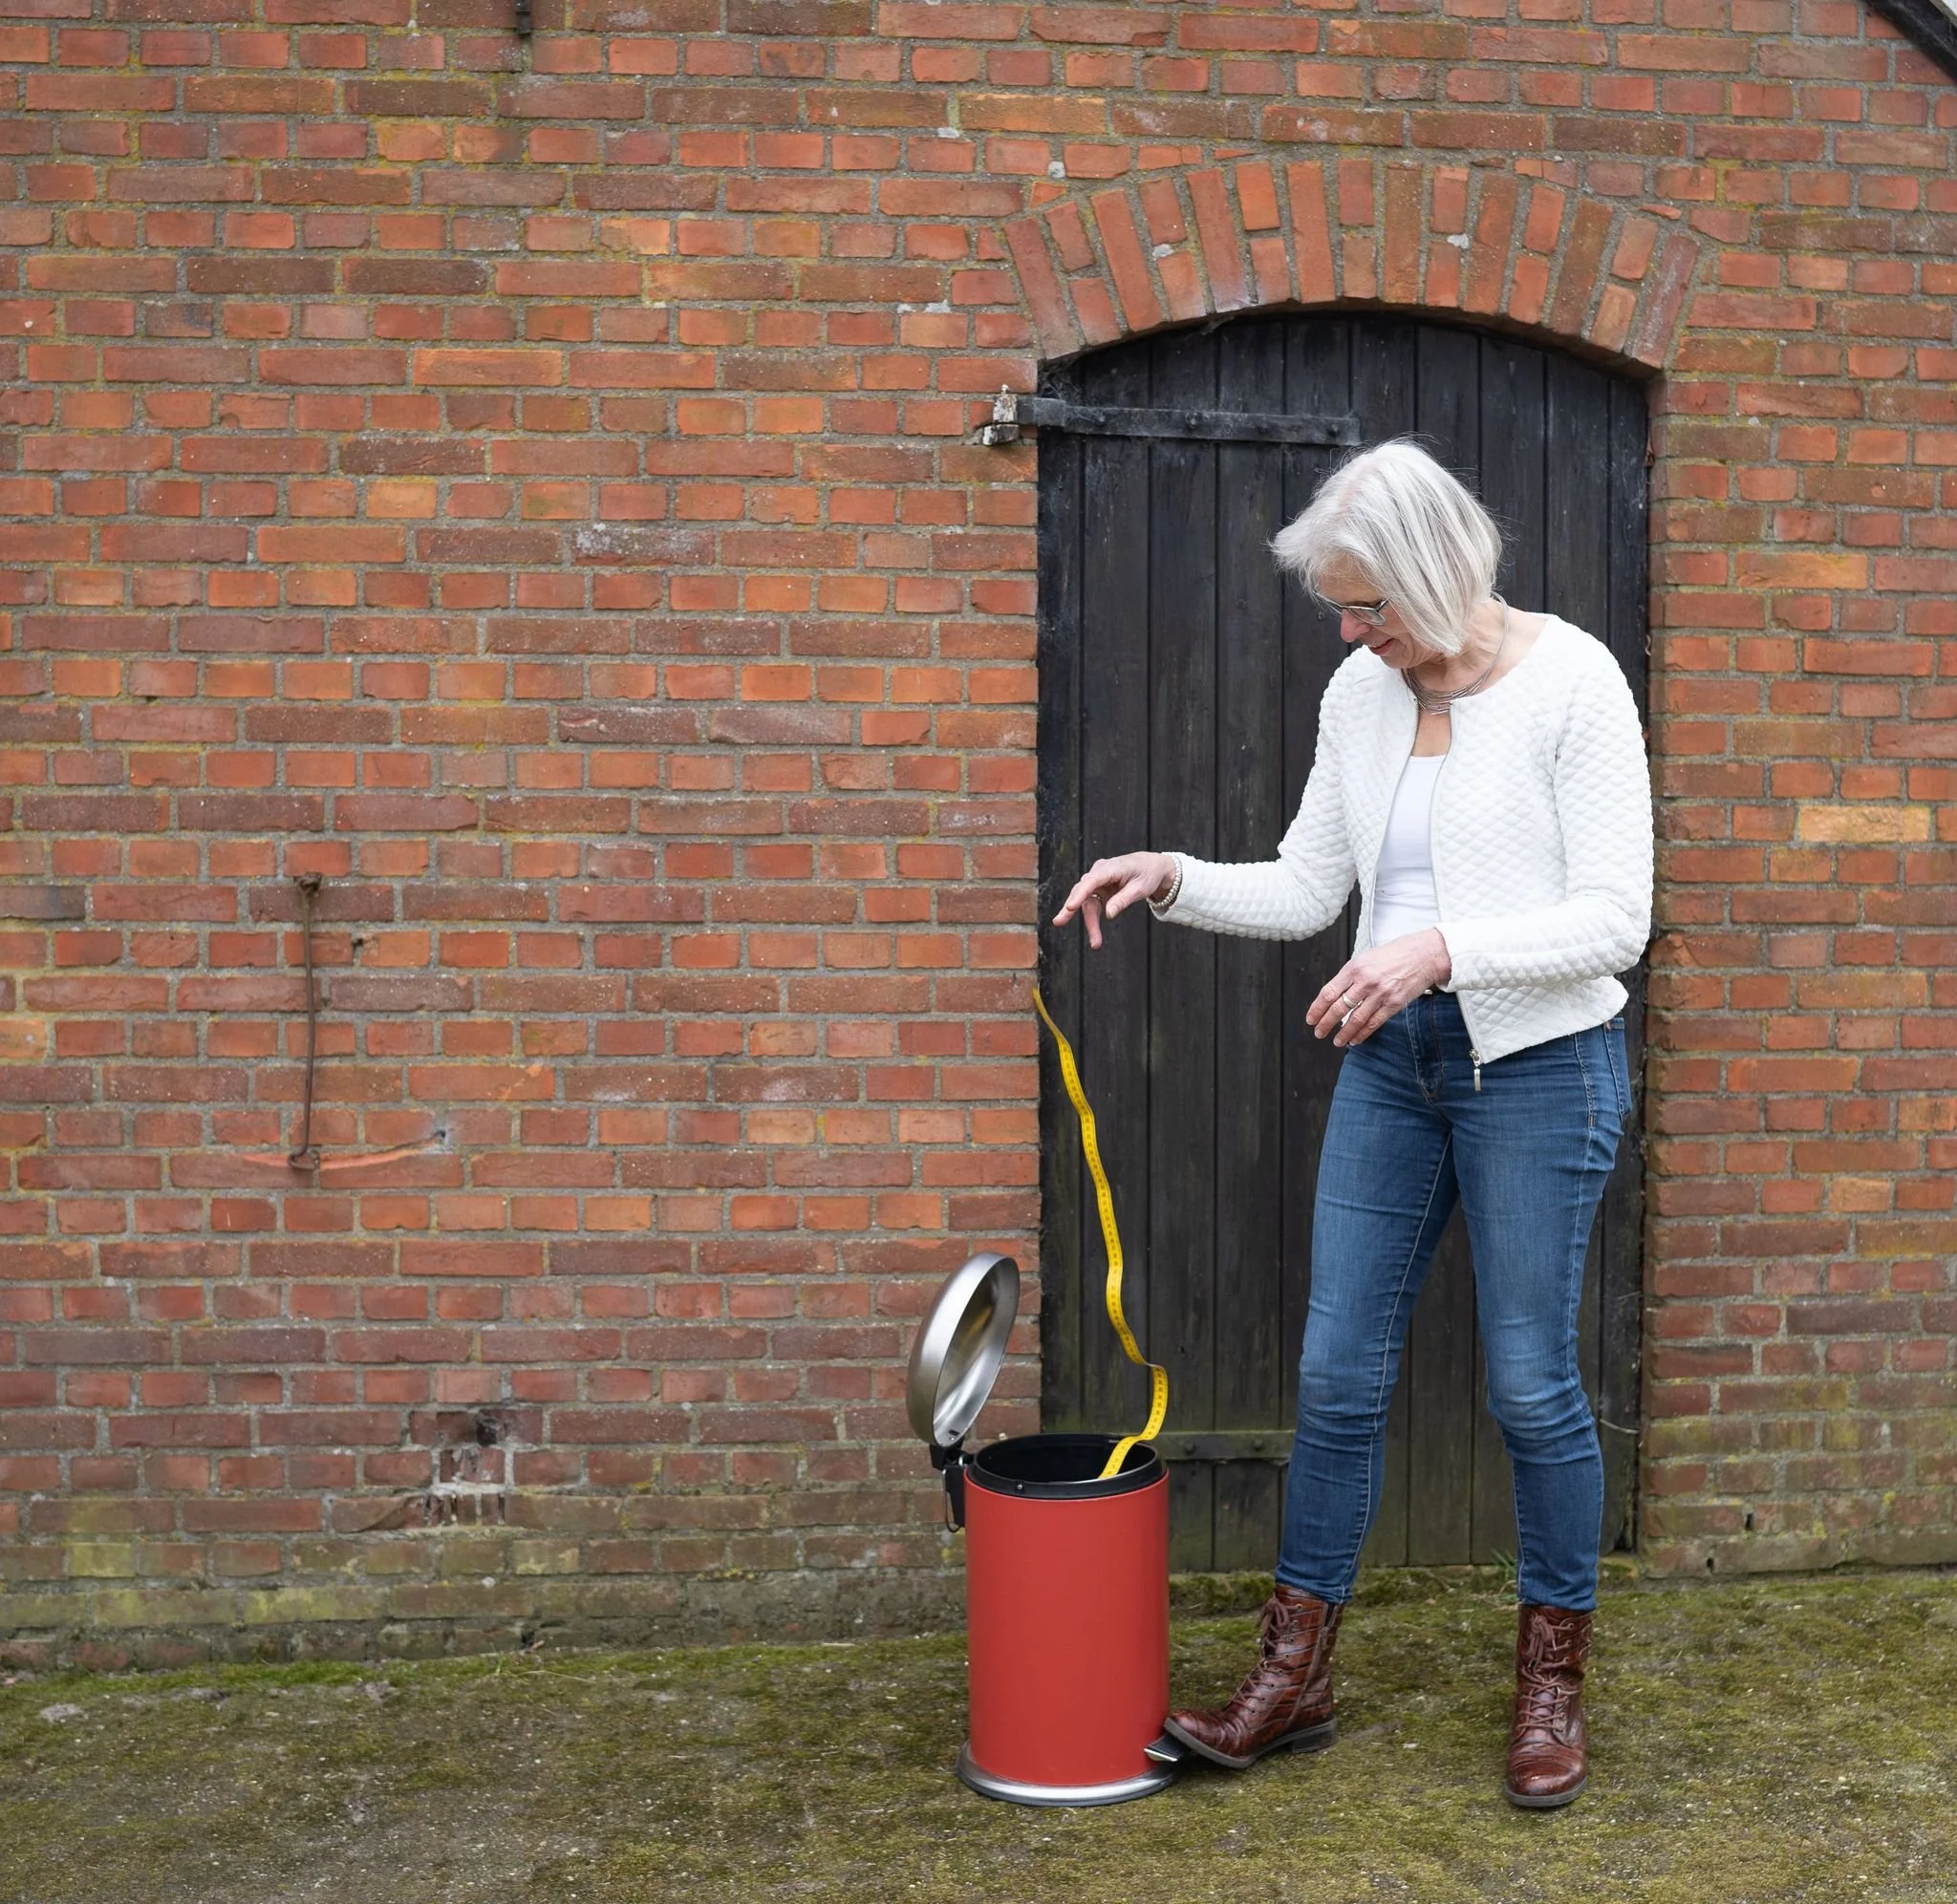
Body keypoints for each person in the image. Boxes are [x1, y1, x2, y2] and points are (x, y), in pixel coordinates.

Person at [1052, 438, 1653, 1809]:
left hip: (1544, 1068)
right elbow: (1311, 883)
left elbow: (1617, 918)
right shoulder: (1358, 695)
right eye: (1339, 608)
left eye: (1367, 607)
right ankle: (1295, 1674)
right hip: (1396, 1067)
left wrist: (1439, 950)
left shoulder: (1572, 684)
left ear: (1437, 580)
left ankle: (1552, 1682)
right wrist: (1173, 879)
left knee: (1526, 1382)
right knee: (1333, 1376)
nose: (1347, 631)